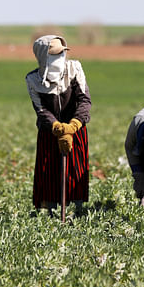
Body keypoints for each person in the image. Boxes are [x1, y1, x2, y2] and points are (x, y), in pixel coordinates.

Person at [25, 35, 92, 214]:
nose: (60, 58)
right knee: (49, 173)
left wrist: (72, 126)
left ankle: (77, 211)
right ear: (43, 57)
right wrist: (57, 127)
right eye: (54, 55)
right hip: (50, 132)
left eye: (61, 54)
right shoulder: (33, 80)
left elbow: (84, 101)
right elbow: (41, 110)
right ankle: (51, 212)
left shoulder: (74, 69)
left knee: (76, 171)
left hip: (75, 129)